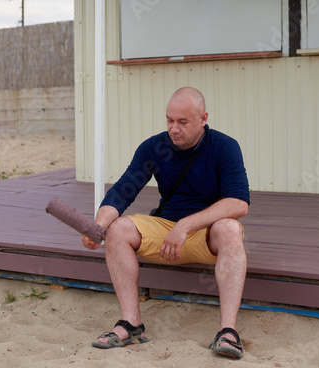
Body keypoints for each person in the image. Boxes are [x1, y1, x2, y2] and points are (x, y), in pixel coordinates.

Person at [81, 87, 250, 359]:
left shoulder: (224, 147)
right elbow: (123, 191)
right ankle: (131, 324)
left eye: (183, 122)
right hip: (165, 231)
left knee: (230, 228)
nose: (174, 129)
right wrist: (97, 226)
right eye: (169, 120)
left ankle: (228, 331)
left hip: (205, 233)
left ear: (203, 118)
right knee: (117, 228)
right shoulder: (153, 147)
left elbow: (238, 203)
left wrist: (185, 225)